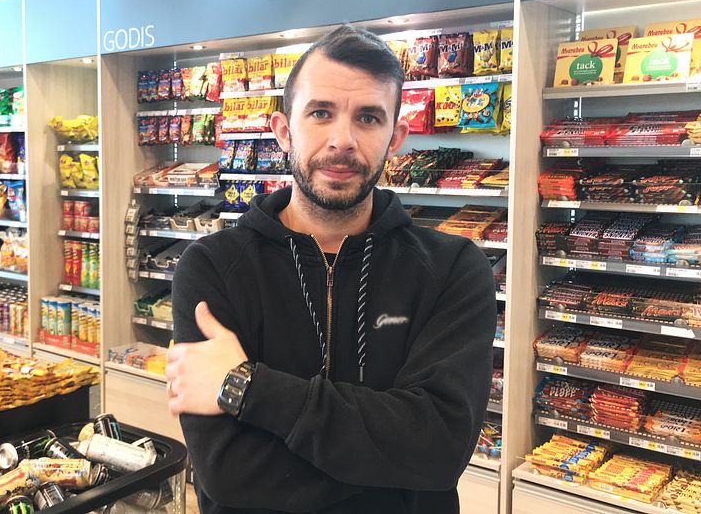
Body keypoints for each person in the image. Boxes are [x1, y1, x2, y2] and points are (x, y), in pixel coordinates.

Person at [165, 25, 497, 513]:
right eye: (321, 113)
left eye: (368, 118)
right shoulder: (213, 268)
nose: (342, 140)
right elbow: (228, 473)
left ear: (396, 138)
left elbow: (438, 449)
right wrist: (389, 468)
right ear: (283, 130)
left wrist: (249, 388)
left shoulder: (453, 269)